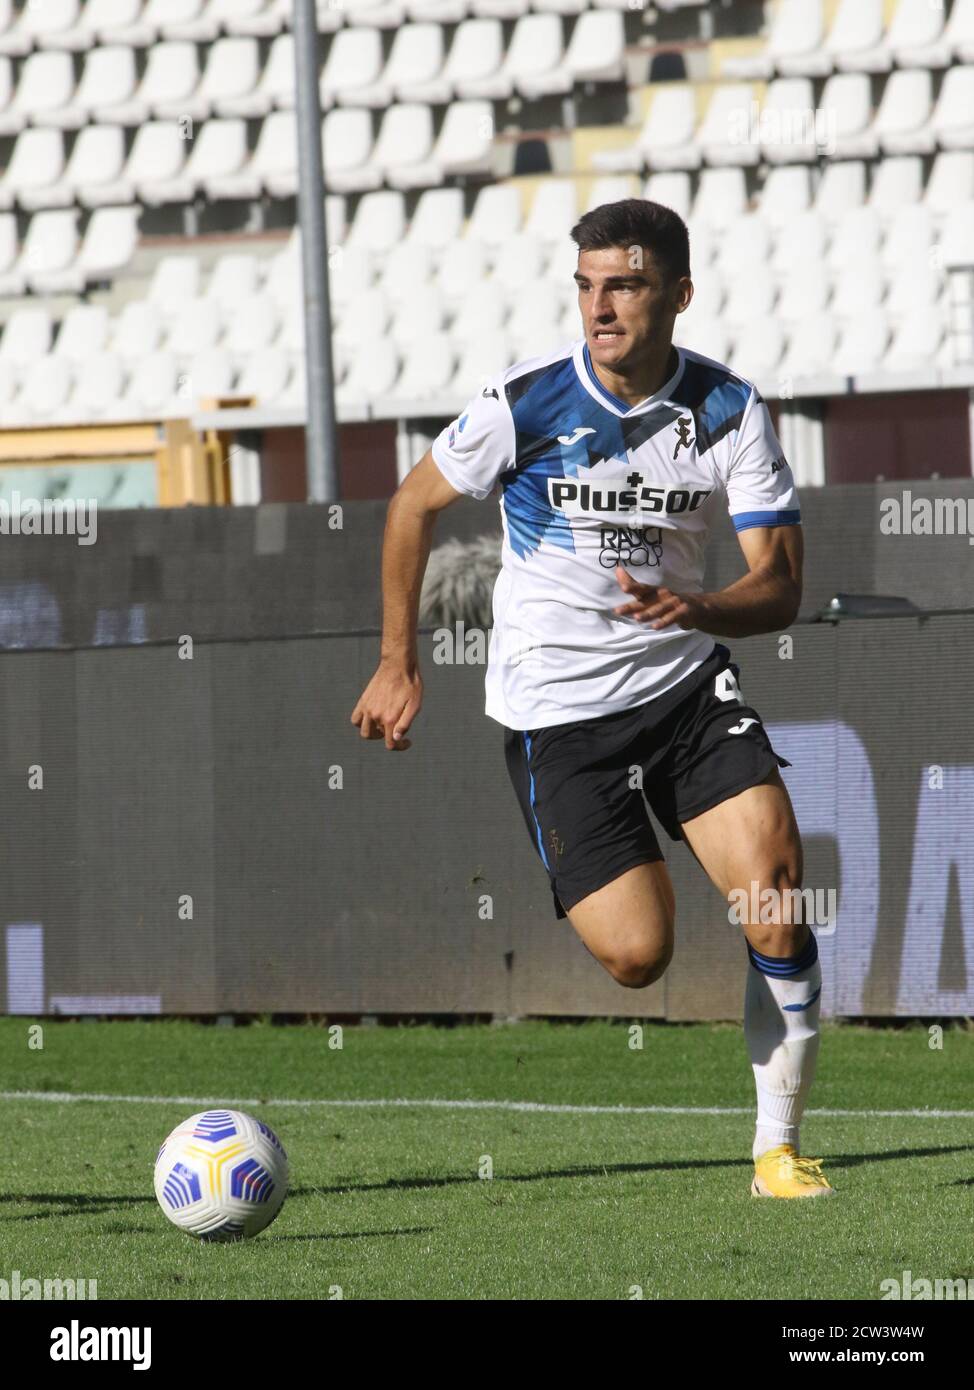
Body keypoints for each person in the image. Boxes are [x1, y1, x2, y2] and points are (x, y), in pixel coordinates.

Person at [351, 198, 831, 1199]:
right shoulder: (523, 404)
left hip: (686, 691)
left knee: (776, 899)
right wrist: (399, 660)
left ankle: (776, 1152)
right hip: (558, 717)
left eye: (622, 284)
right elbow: (410, 505)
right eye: (584, 286)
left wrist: (696, 606)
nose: (598, 307)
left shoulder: (729, 411)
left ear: (677, 295)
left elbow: (778, 585)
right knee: (636, 955)